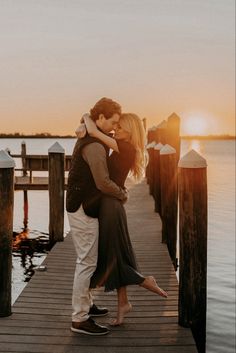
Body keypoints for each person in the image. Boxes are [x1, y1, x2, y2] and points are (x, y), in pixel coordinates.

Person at [80, 112, 168, 326]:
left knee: (114, 255)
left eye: (119, 128)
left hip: (111, 207)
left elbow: (92, 131)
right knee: (117, 253)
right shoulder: (124, 146)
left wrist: (86, 115)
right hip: (110, 205)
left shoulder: (126, 147)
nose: (115, 130)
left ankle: (144, 280)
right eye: (115, 127)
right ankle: (123, 305)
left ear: (130, 131)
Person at [66, 97, 129, 336]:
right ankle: (79, 319)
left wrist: (85, 119)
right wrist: (122, 193)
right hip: (83, 207)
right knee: (87, 262)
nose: (114, 128)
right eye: (112, 122)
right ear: (100, 118)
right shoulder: (94, 145)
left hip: (83, 205)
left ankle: (87, 305)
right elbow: (103, 182)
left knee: (88, 259)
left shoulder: (92, 136)